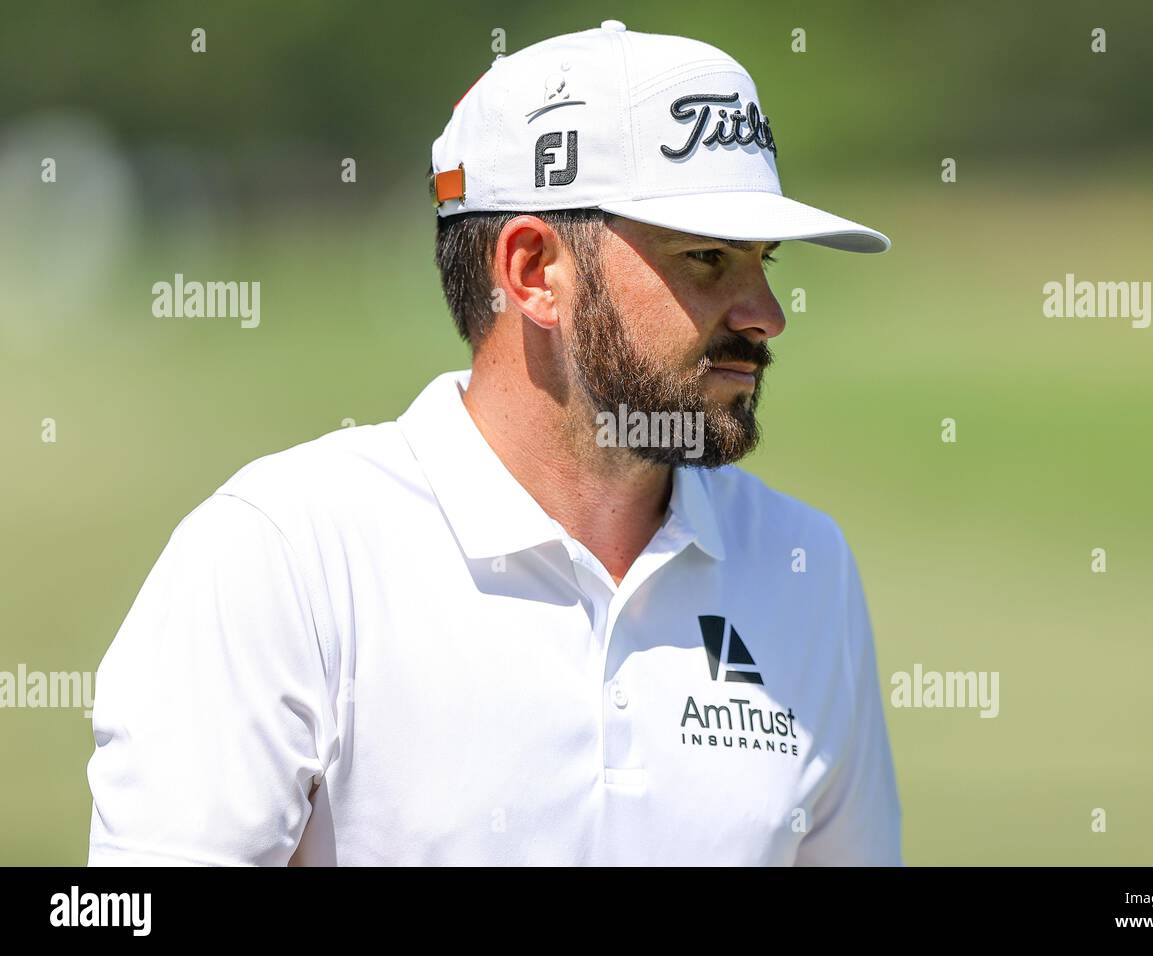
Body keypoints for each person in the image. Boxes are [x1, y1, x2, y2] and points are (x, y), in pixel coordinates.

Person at [86, 19, 901, 865]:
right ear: (532, 273)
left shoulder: (808, 566)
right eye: (706, 258)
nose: (766, 313)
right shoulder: (283, 556)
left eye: (767, 261)